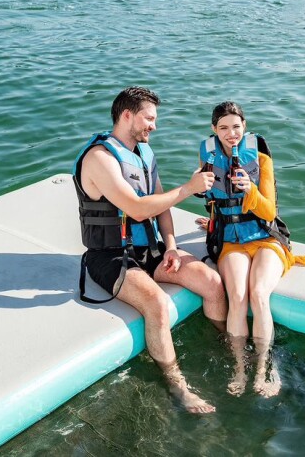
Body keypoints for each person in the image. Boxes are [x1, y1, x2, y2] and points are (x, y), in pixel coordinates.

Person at [74, 86, 227, 414]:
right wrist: (188, 188)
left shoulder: (144, 152)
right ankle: (178, 387)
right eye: (149, 118)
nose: (154, 126)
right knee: (157, 303)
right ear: (127, 115)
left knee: (212, 282)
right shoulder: (100, 158)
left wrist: (170, 247)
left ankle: (225, 346)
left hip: (150, 249)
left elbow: (160, 207)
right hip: (111, 256)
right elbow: (137, 208)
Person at [197, 101, 305, 397]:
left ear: (245, 126)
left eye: (236, 127)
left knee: (259, 293)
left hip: (265, 237)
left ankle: (264, 368)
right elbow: (210, 197)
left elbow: (269, 211)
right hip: (231, 240)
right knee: (238, 296)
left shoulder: (260, 157)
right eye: (223, 128)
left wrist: (250, 189)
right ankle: (240, 367)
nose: (231, 133)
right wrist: (201, 192)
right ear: (214, 129)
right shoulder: (209, 156)